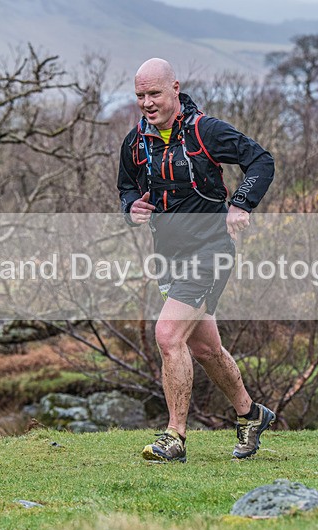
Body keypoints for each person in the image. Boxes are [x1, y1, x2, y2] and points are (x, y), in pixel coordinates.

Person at [118, 58, 276, 463]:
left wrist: (241, 204)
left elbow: (261, 161)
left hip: (210, 251)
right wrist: (130, 207)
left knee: (169, 335)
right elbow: (127, 190)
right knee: (206, 350)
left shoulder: (206, 131)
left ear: (175, 88)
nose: (147, 103)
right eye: (140, 96)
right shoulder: (135, 143)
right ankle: (250, 414)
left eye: (154, 94)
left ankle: (174, 437)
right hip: (169, 257)